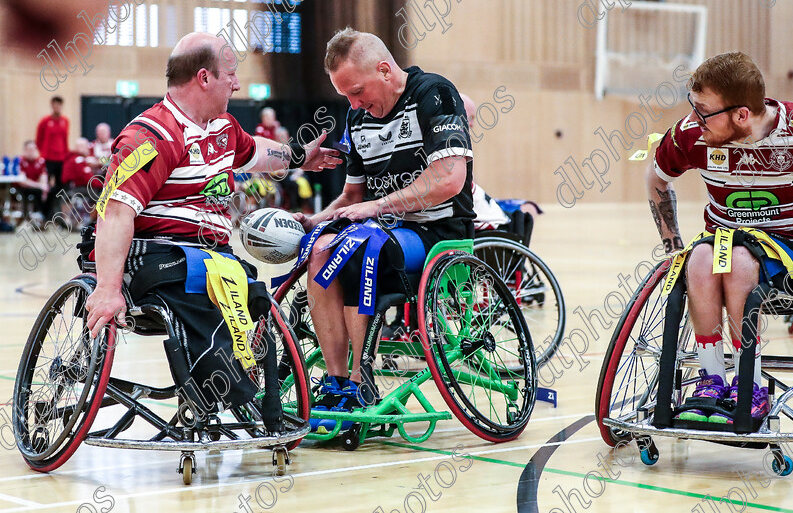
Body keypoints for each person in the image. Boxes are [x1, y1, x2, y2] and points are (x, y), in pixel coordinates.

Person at [84, 31, 341, 419]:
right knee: (203, 283)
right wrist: (107, 289)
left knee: (257, 294)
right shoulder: (151, 136)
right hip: (158, 257)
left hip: (214, 257)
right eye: (231, 74)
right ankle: (230, 395)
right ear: (204, 78)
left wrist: (301, 155)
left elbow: (256, 153)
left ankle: (261, 401)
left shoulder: (222, 127)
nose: (237, 83)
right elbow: (116, 212)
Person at [290, 27, 474, 429]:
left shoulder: (434, 94)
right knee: (320, 248)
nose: (353, 103)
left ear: (386, 71)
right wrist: (314, 221)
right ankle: (339, 382)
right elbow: (352, 197)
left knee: (358, 248)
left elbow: (448, 179)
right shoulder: (358, 118)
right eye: (346, 97)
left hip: (437, 232)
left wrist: (379, 205)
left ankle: (362, 379)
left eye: (357, 91)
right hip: (377, 231)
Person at [646, 51, 793, 425]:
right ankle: (711, 378)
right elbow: (656, 179)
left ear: (742, 115)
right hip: (722, 242)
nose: (695, 118)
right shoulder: (691, 133)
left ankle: (748, 383)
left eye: (705, 111)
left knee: (735, 263)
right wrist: (672, 246)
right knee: (698, 262)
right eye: (694, 106)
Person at [35, 95, 69, 218]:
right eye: (55, 104)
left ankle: (55, 212)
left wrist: (65, 155)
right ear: (52, 105)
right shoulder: (45, 121)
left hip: (61, 159)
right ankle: (45, 212)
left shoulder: (65, 121)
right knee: (48, 187)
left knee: (60, 187)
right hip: (48, 158)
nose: (57, 107)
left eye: (59, 104)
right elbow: (39, 140)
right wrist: (43, 154)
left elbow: (65, 140)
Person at [16, 140, 49, 225]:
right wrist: (39, 185)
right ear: (25, 150)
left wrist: (44, 186)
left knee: (51, 191)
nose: (31, 152)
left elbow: (43, 176)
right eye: (29, 149)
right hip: (22, 188)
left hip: (36, 188)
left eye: (33, 149)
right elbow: (22, 181)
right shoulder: (20, 161)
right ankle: (28, 217)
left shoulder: (40, 161)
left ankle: (44, 217)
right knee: (37, 191)